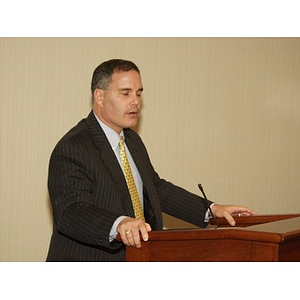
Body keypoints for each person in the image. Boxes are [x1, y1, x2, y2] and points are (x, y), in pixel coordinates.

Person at [46, 59, 256, 261]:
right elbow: (71, 211)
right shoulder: (73, 147)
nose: (135, 102)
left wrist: (210, 210)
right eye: (125, 93)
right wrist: (119, 223)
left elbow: (155, 189)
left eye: (138, 93)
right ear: (99, 97)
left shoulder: (132, 140)